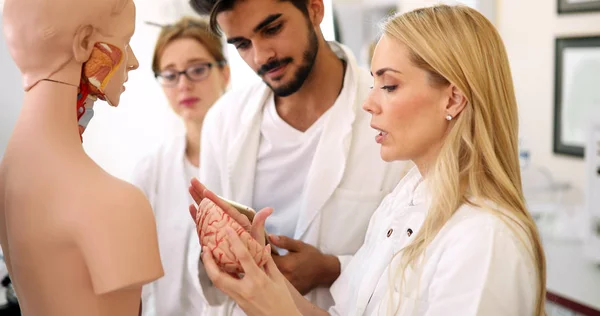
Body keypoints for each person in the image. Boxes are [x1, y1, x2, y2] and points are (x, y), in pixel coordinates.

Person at [193, 4, 548, 316]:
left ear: (453, 100)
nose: (369, 103)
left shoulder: (484, 240)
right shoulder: (402, 203)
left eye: (389, 86)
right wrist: (262, 272)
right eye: (241, 43)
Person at [186, 0, 409, 314]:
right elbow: (206, 270)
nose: (261, 56)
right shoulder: (223, 121)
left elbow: (417, 260)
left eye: (272, 29)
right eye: (242, 44)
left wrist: (331, 268)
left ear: (315, 9)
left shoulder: (389, 114)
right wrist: (232, 248)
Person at [0, 0, 164, 315]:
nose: (133, 62)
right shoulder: (116, 205)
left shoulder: (10, 177)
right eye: (125, 42)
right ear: (84, 43)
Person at [129, 16, 230, 316]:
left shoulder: (252, 157)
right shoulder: (150, 171)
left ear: (224, 73)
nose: (184, 84)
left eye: (197, 69)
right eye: (170, 75)